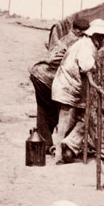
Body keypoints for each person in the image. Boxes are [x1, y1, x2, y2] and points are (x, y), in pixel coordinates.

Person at [51, 18, 104, 163]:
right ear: (95, 35)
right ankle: (62, 150)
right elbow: (86, 65)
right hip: (68, 88)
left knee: (77, 120)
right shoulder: (86, 46)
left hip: (67, 86)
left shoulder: (83, 43)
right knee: (68, 122)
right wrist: (94, 67)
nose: (101, 40)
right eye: (100, 36)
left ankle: (66, 146)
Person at [29, 15, 89, 149]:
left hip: (38, 74)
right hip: (46, 78)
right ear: (78, 31)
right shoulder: (75, 42)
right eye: (84, 32)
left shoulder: (65, 38)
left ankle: (43, 143)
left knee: (43, 109)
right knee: (54, 113)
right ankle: (49, 144)